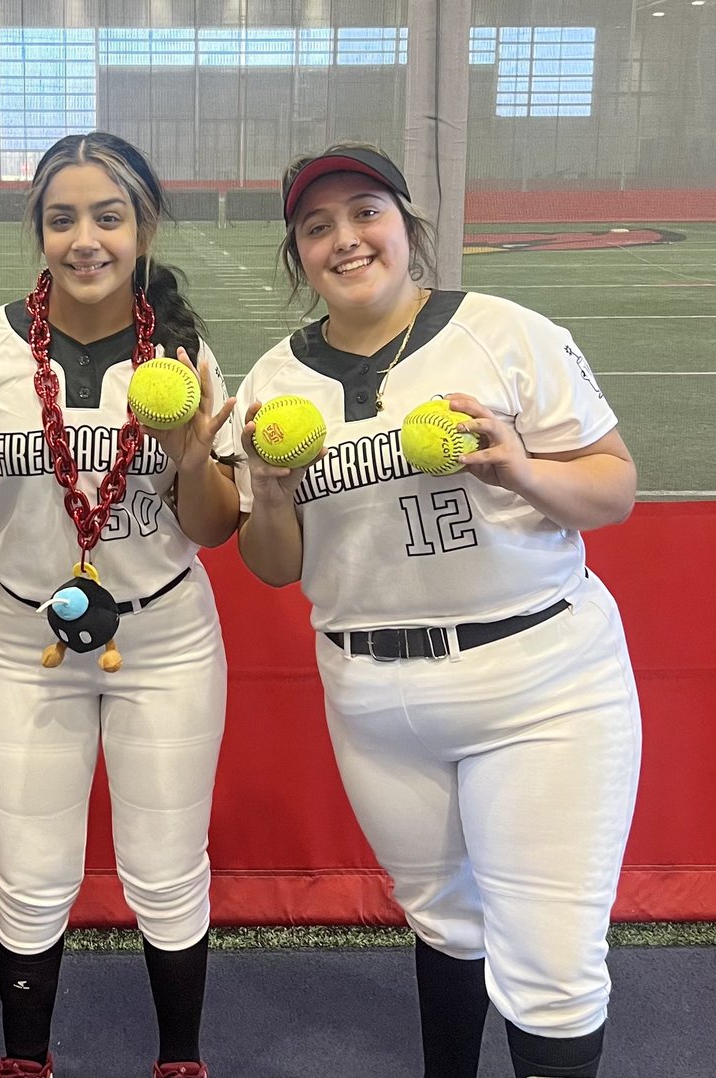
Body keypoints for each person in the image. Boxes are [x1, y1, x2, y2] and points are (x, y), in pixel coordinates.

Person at [234, 143, 642, 1078]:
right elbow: (270, 567)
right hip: (375, 696)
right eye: (316, 226)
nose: (345, 239)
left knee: (550, 970)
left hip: (540, 681)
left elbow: (615, 488)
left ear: (407, 227)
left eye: (365, 212)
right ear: (298, 256)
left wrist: (522, 469)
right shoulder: (273, 383)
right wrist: (268, 487)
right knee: (445, 921)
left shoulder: (503, 331)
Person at [0, 131, 239, 1078]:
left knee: (166, 871)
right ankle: (25, 1061)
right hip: (22, 637)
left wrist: (199, 455)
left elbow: (213, 528)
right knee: (32, 877)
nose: (86, 239)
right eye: (62, 218)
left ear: (145, 227)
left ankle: (179, 1062)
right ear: (37, 231)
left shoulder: (187, 352)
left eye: (109, 217)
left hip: (163, 637)